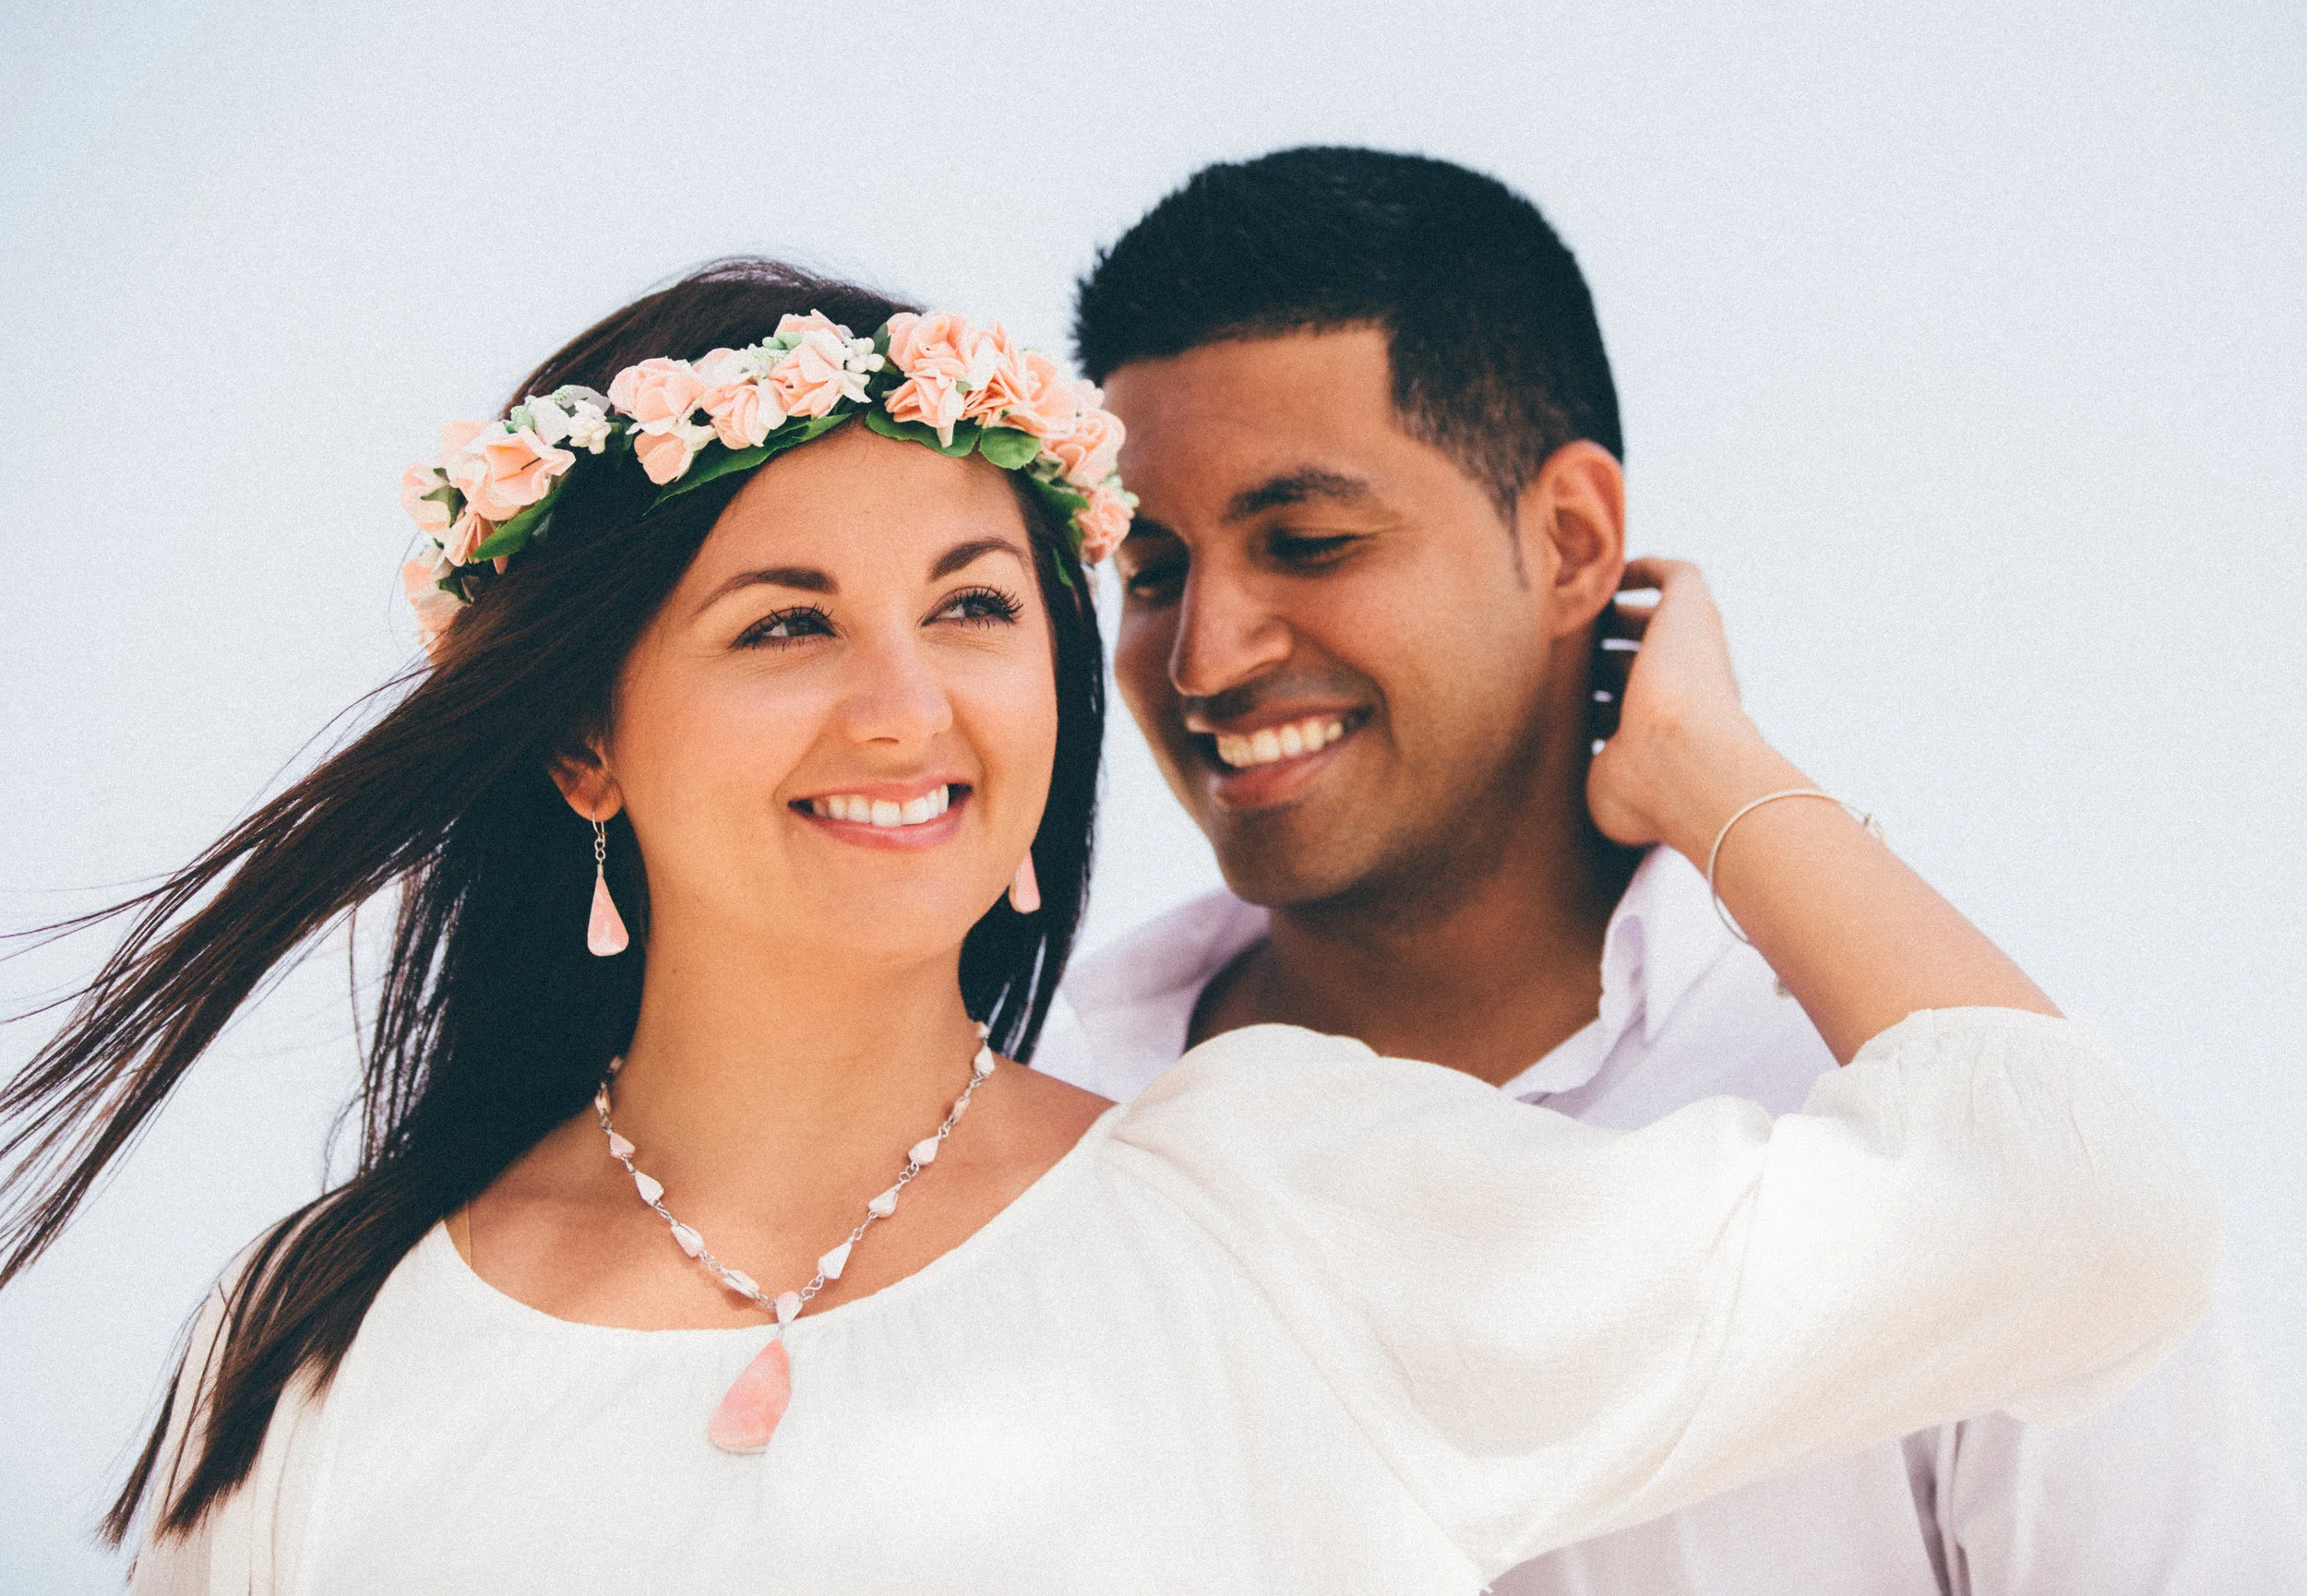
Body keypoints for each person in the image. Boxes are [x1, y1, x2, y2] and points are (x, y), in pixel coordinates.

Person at [0, 258, 2218, 1596]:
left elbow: (2081, 1210)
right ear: (585, 746)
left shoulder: (1279, 1201)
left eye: (977, 607)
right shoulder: (320, 1338)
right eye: (786, 621)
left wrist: (1712, 777)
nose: (910, 704)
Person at [1040, 145, 2307, 1592]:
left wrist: (1712, 769)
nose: (1205, 655)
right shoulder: (1056, 1135)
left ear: (1573, 539)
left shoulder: (1931, 1112)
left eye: (1310, 542)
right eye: (1149, 573)